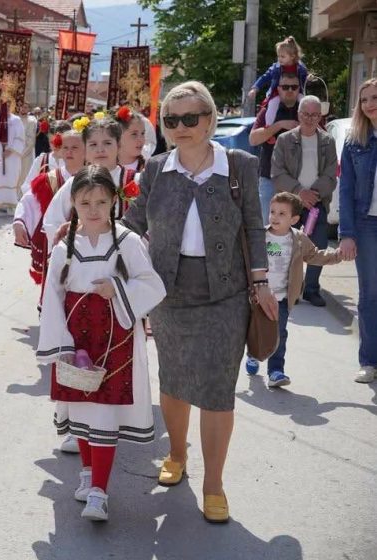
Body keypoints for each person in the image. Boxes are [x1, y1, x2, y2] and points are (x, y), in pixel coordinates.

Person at [122, 81, 276, 523]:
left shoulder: (240, 167)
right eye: (172, 120)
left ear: (210, 119)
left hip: (225, 293)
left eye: (191, 118)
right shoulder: (154, 170)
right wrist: (91, 232)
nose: (182, 127)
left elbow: (253, 226)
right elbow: (132, 224)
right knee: (173, 381)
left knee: (216, 390)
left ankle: (214, 483)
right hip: (168, 293)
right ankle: (175, 453)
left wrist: (261, 281)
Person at [37, 165, 165, 521]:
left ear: (113, 202)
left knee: (104, 414)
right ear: (73, 204)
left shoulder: (127, 242)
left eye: (101, 201)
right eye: (84, 202)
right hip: (76, 339)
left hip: (115, 339)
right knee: (80, 408)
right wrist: (60, 343)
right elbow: (52, 296)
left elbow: (154, 285)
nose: (93, 209)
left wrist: (118, 290)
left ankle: (99, 492)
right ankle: (87, 474)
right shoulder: (65, 247)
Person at [246, 192, 343, 387]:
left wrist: (338, 256)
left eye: (282, 213)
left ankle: (276, 371)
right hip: (256, 296)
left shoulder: (298, 239)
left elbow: (315, 255)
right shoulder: (260, 237)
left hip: (281, 298)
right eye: (273, 212)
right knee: (255, 328)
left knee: (279, 333)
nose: (274, 217)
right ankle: (253, 354)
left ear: (294, 219)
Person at [269, 95, 338, 307]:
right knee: (287, 246)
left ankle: (311, 289)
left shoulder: (328, 141)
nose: (310, 119)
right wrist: (300, 192)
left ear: (321, 116)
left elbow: (331, 174)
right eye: (306, 114)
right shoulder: (284, 140)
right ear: (299, 114)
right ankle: (292, 289)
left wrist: (312, 194)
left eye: (315, 114)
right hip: (290, 204)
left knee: (318, 245)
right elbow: (277, 172)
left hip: (317, 204)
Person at [43, 115, 138, 247]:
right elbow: (52, 220)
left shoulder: (134, 181)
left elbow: (148, 223)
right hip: (84, 257)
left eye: (107, 143)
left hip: (124, 256)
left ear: (119, 145)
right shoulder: (75, 182)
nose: (100, 149)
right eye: (93, 144)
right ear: (85, 149)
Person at [337, 78, 377, 383]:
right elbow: (347, 190)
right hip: (366, 225)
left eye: (374, 97)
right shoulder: (355, 141)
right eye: (364, 100)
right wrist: (346, 234)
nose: (369, 104)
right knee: (370, 295)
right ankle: (369, 361)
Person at [13, 126, 82, 285]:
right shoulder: (49, 179)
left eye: (75, 148)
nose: (69, 152)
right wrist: (19, 222)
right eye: (66, 148)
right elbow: (29, 201)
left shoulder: (93, 178)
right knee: (52, 285)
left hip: (84, 243)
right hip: (52, 242)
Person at [249, 72, 302, 225]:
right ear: (278, 89)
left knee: (298, 229)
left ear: (299, 89)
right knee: (268, 225)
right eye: (285, 87)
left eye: (294, 87)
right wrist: (279, 125)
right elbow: (253, 139)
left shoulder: (306, 111)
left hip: (299, 179)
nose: (290, 90)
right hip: (269, 178)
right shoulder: (268, 111)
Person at [248, 37, 309, 126]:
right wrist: (255, 89)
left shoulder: (300, 67)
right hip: (278, 93)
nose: (279, 59)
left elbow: (306, 76)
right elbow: (265, 77)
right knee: (273, 104)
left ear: (292, 56)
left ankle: (305, 124)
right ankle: (268, 126)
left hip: (296, 92)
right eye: (278, 56)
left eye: (283, 56)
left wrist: (309, 77)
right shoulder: (276, 67)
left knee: (304, 102)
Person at [0, 105, 25, 210]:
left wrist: (11, 150)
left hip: (12, 156)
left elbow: (20, 137)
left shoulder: (16, 120)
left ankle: (11, 205)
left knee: (11, 178)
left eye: (8, 106)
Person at [20, 120, 71, 195]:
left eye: (60, 142)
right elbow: (27, 186)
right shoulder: (41, 160)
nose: (56, 146)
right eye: (52, 142)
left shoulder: (74, 160)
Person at [115, 106, 148, 172]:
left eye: (143, 133)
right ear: (118, 136)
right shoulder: (106, 166)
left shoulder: (149, 168)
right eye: (134, 134)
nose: (141, 139)